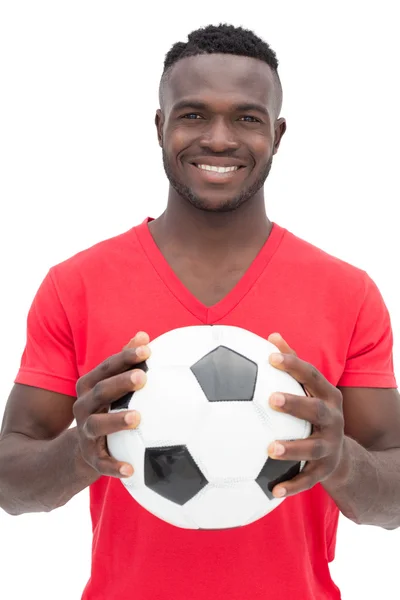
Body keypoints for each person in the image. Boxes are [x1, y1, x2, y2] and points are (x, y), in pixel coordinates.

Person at [0, 22, 399, 600]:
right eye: (192, 115)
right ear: (160, 127)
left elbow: (390, 501)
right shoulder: (75, 286)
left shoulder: (349, 292)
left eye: (246, 117)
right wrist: (77, 450)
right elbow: (10, 485)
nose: (218, 139)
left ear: (278, 134)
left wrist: (344, 462)